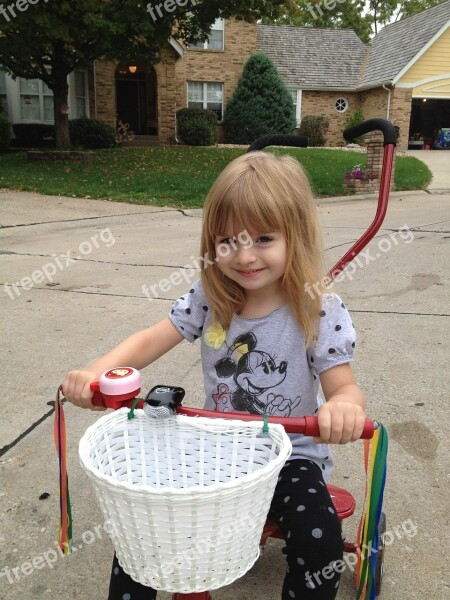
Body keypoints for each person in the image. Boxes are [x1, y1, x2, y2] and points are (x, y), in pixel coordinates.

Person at [63, 151, 366, 600]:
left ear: (295, 236)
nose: (244, 256)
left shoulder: (317, 310)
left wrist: (344, 408)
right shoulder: (211, 295)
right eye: (227, 241)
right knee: (144, 528)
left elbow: (343, 386)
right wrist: (94, 372)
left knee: (319, 538)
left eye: (263, 238)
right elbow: (151, 338)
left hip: (291, 456)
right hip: (219, 452)